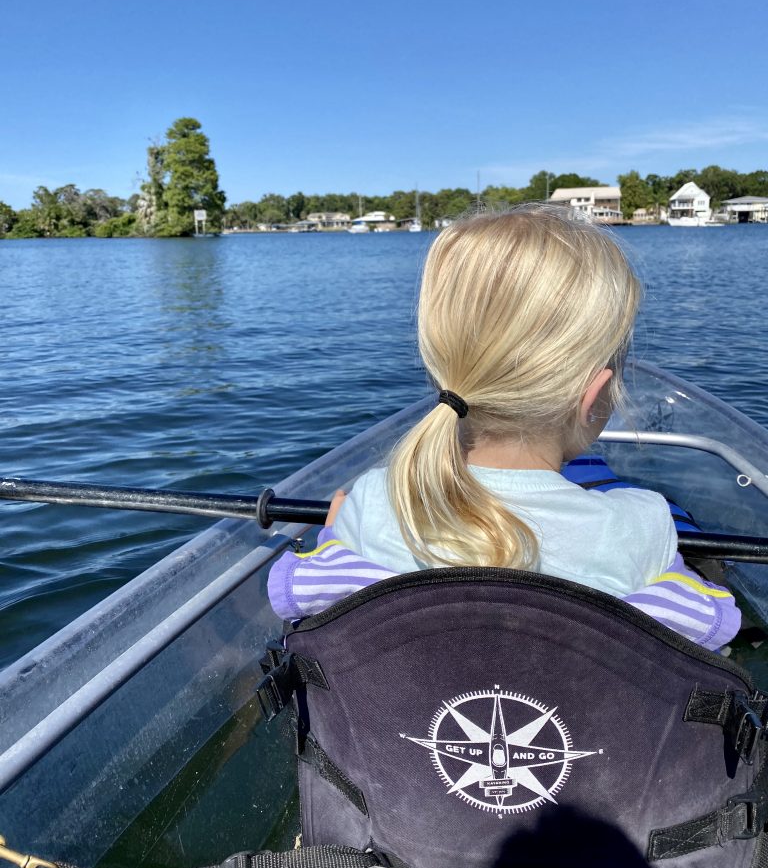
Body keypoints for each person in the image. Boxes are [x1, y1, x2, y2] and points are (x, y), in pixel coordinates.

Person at [268, 204, 740, 647]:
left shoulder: (372, 501)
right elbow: (711, 625)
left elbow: (314, 592)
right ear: (593, 395)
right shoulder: (642, 524)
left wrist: (334, 537)